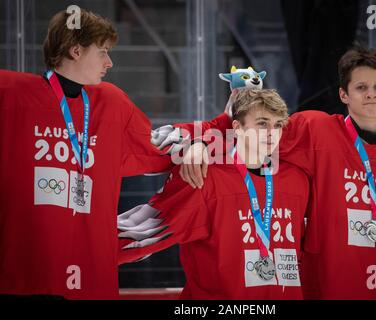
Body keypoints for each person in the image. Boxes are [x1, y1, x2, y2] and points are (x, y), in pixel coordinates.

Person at [175, 46, 376, 299]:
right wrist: (201, 142)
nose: (371, 94)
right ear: (344, 94)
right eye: (361, 87)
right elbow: (253, 128)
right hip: (331, 286)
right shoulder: (315, 131)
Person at [0, 8, 230, 299]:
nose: (109, 62)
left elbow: (155, 145)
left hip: (90, 275)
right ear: (75, 50)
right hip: (22, 273)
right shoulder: (11, 96)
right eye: (103, 52)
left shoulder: (110, 103)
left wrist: (204, 138)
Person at [118, 89, 310, 299]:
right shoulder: (206, 178)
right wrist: (84, 248)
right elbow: (143, 233)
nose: (272, 132)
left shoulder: (297, 181)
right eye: (262, 123)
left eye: (278, 125)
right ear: (237, 128)